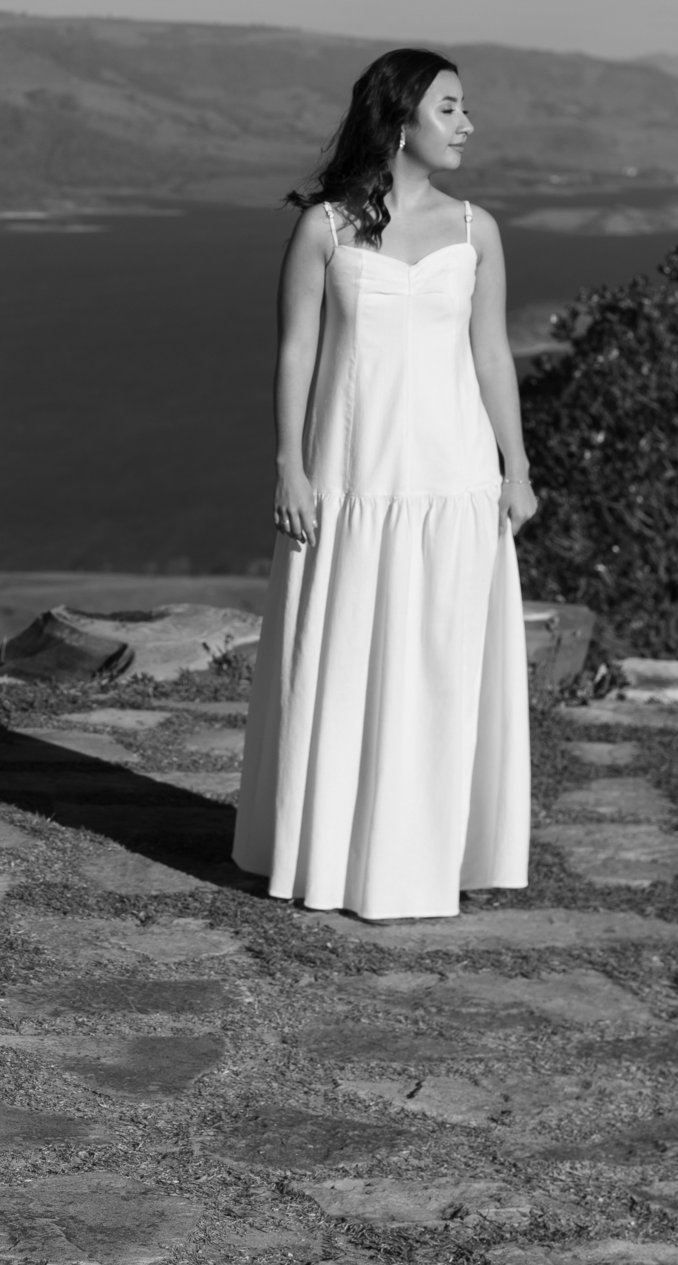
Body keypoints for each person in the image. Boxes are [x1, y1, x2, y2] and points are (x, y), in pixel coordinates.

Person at [233, 49, 536, 920]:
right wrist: (290, 465)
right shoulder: (324, 228)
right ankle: (328, 855)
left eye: (464, 108)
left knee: (444, 666)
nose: (467, 124)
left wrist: (516, 466)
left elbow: (491, 356)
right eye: (450, 108)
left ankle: (433, 857)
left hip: (454, 484)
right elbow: (296, 354)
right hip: (349, 480)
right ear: (400, 120)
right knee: (336, 665)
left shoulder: (476, 229)